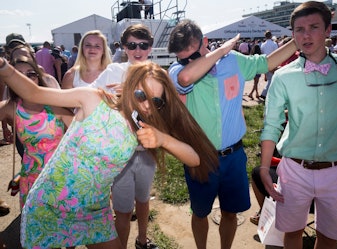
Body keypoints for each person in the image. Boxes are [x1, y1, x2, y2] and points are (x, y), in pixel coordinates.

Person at [0, 57, 219, 248]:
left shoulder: (144, 128)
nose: (146, 106)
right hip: (51, 203)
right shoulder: (93, 99)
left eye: (156, 101)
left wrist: (163, 139)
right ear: (130, 85)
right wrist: (4, 67)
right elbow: (34, 92)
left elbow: (194, 159)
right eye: (142, 94)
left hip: (94, 211)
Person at [167, 19, 297, 249]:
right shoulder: (179, 69)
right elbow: (185, 78)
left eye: (192, 57)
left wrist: (299, 39)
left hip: (233, 156)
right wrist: (221, 50)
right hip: (200, 158)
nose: (187, 62)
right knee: (200, 213)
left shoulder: (233, 62)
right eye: (182, 58)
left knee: (230, 213)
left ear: (204, 43)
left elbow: (267, 62)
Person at [259, 2, 337, 249]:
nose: (306, 35)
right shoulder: (283, 76)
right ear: (292, 34)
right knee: (292, 232)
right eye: (299, 29)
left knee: (329, 237)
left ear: (328, 30)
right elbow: (271, 124)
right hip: (294, 171)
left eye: (313, 27)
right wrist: (264, 167)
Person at [94, 24, 159, 249]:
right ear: (124, 47)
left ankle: (142, 240)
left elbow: (163, 111)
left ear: (150, 47)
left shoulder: (156, 74)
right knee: (122, 209)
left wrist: (134, 92)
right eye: (132, 45)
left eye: (143, 45)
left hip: (147, 151)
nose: (137, 50)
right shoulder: (114, 71)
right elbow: (92, 97)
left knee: (143, 201)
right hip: (120, 155)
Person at [0, 55, 73, 209]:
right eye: (18, 75)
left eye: (31, 74)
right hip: (32, 181)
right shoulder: (10, 108)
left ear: (38, 77)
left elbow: (82, 134)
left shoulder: (55, 105)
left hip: (62, 178)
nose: (25, 79)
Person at [259, 30, 279, 100]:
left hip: (265, 62)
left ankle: (266, 93)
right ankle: (264, 94)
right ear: (271, 36)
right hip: (273, 62)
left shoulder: (263, 44)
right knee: (272, 79)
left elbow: (262, 54)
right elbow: (277, 53)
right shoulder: (274, 44)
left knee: (270, 79)